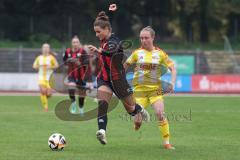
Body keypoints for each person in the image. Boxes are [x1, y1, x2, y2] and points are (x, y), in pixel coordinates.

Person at [88, 4, 150, 145]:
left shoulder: (116, 42)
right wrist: (110, 12)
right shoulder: (103, 37)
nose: (97, 35)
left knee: (130, 108)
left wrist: (99, 52)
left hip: (118, 80)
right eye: (95, 32)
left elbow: (111, 50)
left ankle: (139, 109)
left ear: (107, 30)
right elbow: (105, 22)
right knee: (102, 104)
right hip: (104, 79)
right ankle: (102, 132)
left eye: (98, 32)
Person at [124, 26, 176, 149]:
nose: (143, 40)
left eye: (146, 38)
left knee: (160, 113)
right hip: (139, 91)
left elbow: (173, 68)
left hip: (155, 89)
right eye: (141, 38)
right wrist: (120, 79)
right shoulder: (137, 53)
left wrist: (172, 83)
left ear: (153, 38)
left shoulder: (160, 54)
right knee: (137, 120)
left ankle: (167, 142)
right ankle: (137, 123)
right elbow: (125, 65)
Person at [63, 36, 93, 115]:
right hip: (71, 75)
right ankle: (73, 103)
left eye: (77, 42)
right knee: (71, 86)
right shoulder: (68, 51)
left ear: (79, 43)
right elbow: (64, 62)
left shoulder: (83, 51)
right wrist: (68, 61)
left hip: (81, 76)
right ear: (71, 43)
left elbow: (86, 63)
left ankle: (81, 107)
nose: (75, 44)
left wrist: (79, 63)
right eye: (74, 42)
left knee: (81, 95)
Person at [33, 43, 59, 112]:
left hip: (49, 78)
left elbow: (56, 65)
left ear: (49, 49)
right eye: (44, 47)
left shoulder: (51, 58)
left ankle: (47, 96)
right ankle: (46, 107)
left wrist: (50, 67)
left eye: (47, 47)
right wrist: (39, 66)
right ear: (42, 49)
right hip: (41, 77)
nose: (45, 49)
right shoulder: (39, 58)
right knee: (43, 91)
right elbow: (34, 66)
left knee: (49, 94)